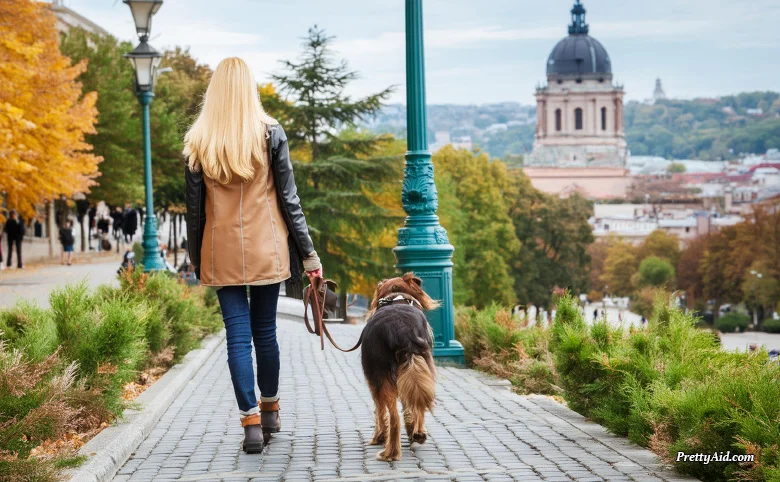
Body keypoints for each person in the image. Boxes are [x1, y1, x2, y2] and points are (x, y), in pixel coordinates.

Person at [183, 57, 322, 454]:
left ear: (214, 93)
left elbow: (195, 211)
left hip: (220, 250)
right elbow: (290, 201)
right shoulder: (271, 133)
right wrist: (309, 256)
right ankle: (272, 408)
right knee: (266, 332)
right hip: (267, 247)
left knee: (237, 337)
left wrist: (197, 257)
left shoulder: (198, 141)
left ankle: (251, 424)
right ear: (249, 89)